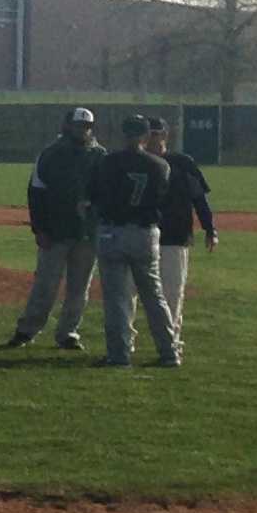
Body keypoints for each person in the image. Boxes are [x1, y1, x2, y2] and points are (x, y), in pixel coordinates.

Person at [83, 112, 180, 368]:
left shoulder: (107, 162)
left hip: (112, 232)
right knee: (154, 296)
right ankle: (169, 353)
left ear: (122, 134)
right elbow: (165, 201)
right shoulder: (161, 166)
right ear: (146, 135)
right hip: (145, 233)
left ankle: (119, 355)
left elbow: (91, 199)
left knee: (116, 299)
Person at [8, 107, 105, 348]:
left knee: (79, 288)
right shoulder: (51, 154)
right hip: (56, 230)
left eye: (87, 126)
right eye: (78, 125)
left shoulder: (100, 155)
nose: (82, 130)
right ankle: (27, 329)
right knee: (45, 285)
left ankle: (68, 333)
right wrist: (39, 229)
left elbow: (107, 192)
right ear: (67, 126)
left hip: (87, 232)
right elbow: (36, 192)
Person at [157, 118, 218, 328]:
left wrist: (209, 228)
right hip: (142, 236)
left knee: (173, 292)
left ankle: (172, 342)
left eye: (158, 134)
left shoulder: (183, 163)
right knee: (131, 292)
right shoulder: (134, 163)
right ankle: (126, 346)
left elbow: (199, 198)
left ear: (165, 136)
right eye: (150, 134)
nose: (153, 139)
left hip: (175, 235)